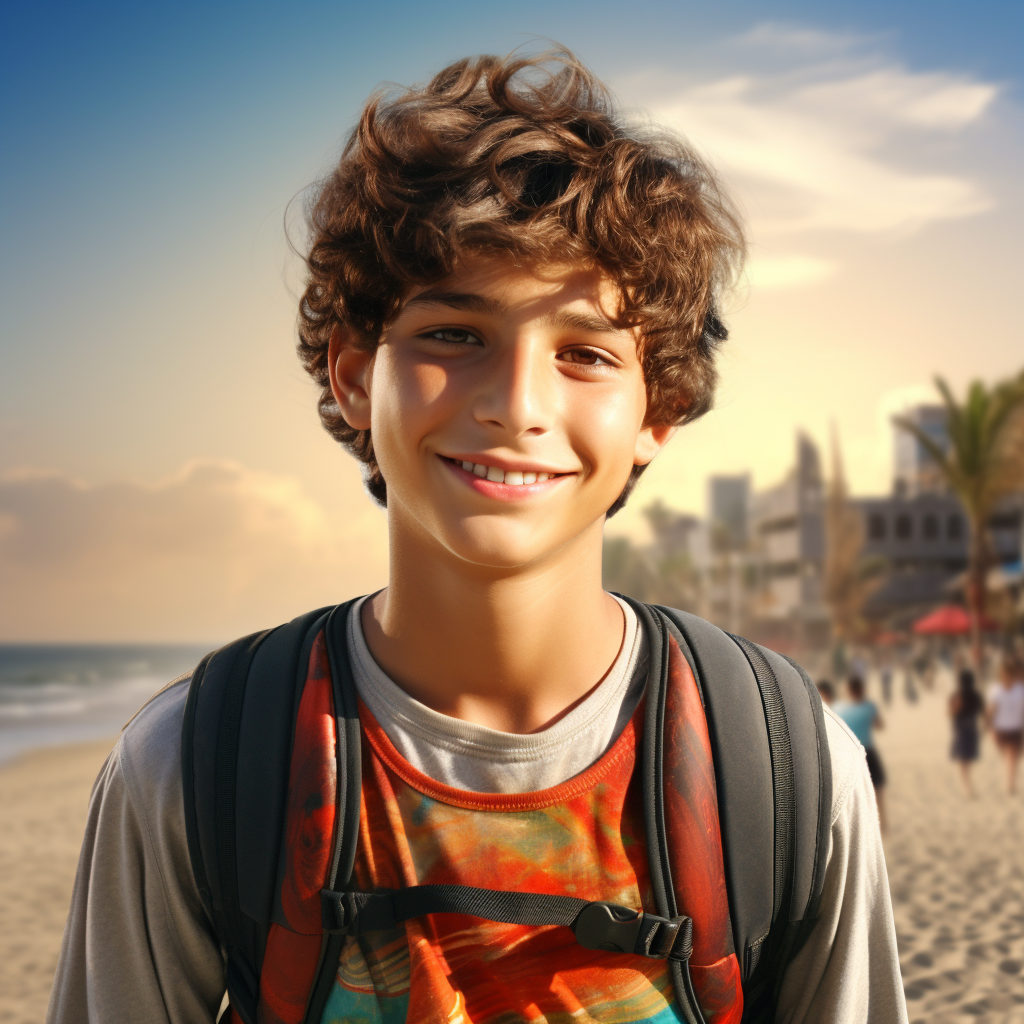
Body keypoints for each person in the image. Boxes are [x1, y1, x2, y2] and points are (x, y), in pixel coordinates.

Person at [47, 51, 907, 1024]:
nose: (515, 406)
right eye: (455, 334)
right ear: (350, 375)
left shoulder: (786, 768)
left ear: (656, 412)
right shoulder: (191, 763)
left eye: (583, 353)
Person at [835, 676, 887, 832]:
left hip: (849, 752)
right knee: (878, 788)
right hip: (868, 751)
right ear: (862, 690)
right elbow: (880, 725)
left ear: (848, 691)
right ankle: (883, 822)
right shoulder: (869, 707)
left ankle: (854, 827)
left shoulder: (839, 708)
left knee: (851, 792)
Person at [986, 654, 1024, 796]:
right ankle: (1010, 785)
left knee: (1012, 757)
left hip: (1015, 728)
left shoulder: (1019, 690)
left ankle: (1010, 784)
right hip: (1002, 729)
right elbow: (991, 711)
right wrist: (989, 727)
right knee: (1010, 757)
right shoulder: (996, 690)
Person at [948, 666, 984, 797]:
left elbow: (950, 713)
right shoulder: (976, 695)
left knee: (964, 760)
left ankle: (967, 786)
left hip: (961, 730)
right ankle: (968, 786)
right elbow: (983, 713)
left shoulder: (957, 695)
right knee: (967, 760)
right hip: (971, 729)